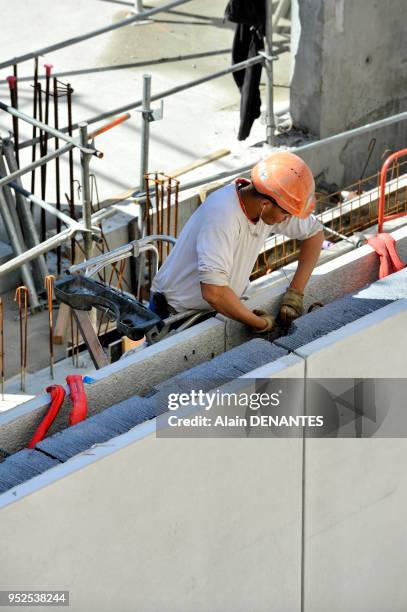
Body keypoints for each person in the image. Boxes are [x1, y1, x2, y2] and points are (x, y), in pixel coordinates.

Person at [150, 151, 324, 332]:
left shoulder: (268, 203)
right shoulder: (223, 215)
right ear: (265, 204)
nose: (287, 219)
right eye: (286, 214)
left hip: (213, 310)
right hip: (175, 317)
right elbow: (213, 292)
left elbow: (315, 234)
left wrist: (295, 293)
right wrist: (262, 324)